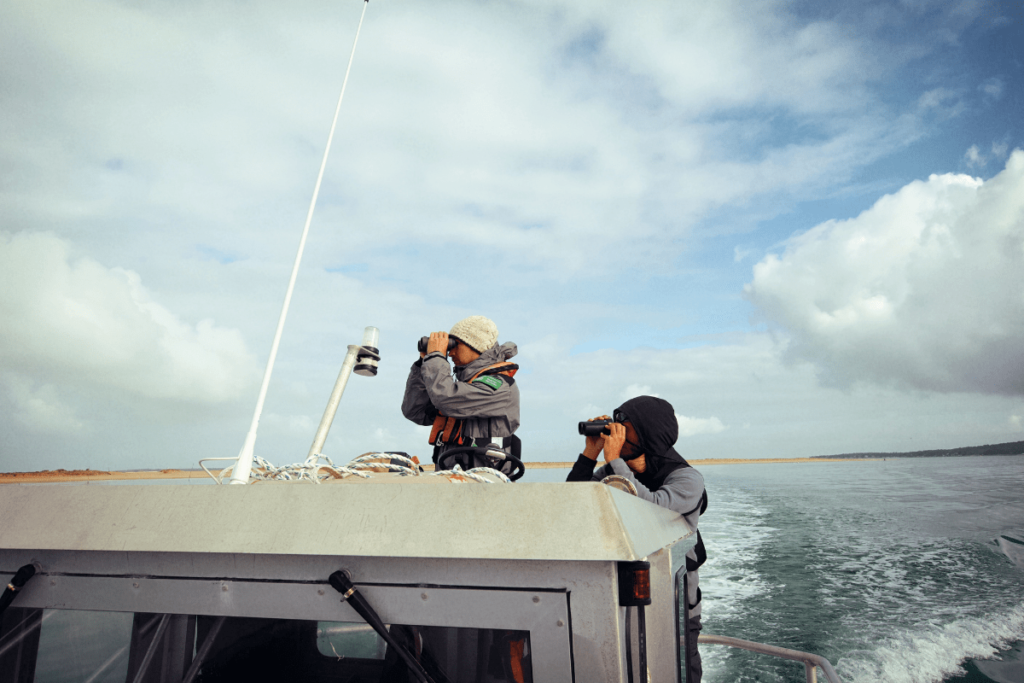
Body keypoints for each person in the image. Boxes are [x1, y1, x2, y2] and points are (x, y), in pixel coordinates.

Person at [567, 395, 707, 683]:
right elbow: (573, 503)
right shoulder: (612, 470)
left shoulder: (688, 479)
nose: (614, 431)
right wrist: (590, 454)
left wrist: (616, 460)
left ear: (647, 434)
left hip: (673, 600)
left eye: (623, 426)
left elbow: (652, 509)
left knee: (679, 670)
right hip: (622, 590)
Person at [402, 315, 521, 472]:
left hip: (485, 481)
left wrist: (436, 357)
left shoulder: (500, 386)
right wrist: (422, 364)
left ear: (475, 345)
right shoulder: (461, 387)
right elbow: (415, 411)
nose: (450, 353)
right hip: (450, 476)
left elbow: (446, 398)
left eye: (455, 345)